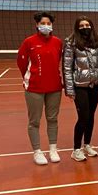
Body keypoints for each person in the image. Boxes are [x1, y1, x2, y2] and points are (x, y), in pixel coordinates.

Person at [17, 11, 63, 165]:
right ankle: (37, 151)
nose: (46, 26)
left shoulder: (57, 42)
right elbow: (21, 63)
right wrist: (31, 77)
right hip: (35, 88)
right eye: (42, 23)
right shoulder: (29, 42)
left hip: (55, 87)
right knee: (34, 121)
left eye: (48, 23)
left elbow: (58, 61)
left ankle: (53, 149)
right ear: (37, 25)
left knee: (52, 118)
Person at [63, 16, 98, 162]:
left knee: (91, 116)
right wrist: (69, 89)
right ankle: (76, 149)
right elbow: (67, 67)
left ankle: (87, 144)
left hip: (94, 84)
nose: (85, 27)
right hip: (79, 85)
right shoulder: (71, 43)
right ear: (77, 27)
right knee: (83, 116)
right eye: (81, 25)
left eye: (87, 25)